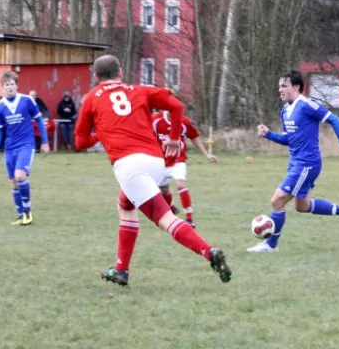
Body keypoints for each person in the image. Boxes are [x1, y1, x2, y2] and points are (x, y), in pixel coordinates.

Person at [74, 55, 231, 286]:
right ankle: (121, 270)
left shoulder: (90, 99)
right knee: (125, 205)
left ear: (96, 77)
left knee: (165, 219)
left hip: (129, 165)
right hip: (156, 161)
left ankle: (209, 252)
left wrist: (105, 133)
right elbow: (176, 106)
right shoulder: (139, 90)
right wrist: (176, 139)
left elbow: (80, 142)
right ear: (120, 72)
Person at [247, 70, 339, 253]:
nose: (280, 90)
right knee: (302, 206)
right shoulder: (285, 110)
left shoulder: (306, 104)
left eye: (284, 86)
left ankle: (270, 245)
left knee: (277, 201)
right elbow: (288, 140)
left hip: (307, 164)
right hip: (295, 163)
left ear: (296, 87)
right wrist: (268, 134)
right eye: (279, 86)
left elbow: (334, 119)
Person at [0, 71, 50, 225]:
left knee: (19, 176)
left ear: (16, 85)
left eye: (12, 84)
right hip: (10, 148)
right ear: (2, 88)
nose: (10, 87)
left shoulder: (27, 100)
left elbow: (39, 121)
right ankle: (20, 215)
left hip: (26, 144)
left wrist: (44, 142)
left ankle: (27, 212)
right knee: (13, 181)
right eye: (6, 85)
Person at [152, 110, 218, 228]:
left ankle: (189, 219)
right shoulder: (155, 120)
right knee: (163, 190)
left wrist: (206, 154)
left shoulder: (184, 121)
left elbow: (194, 137)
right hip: (160, 161)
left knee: (181, 184)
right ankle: (170, 210)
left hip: (178, 160)